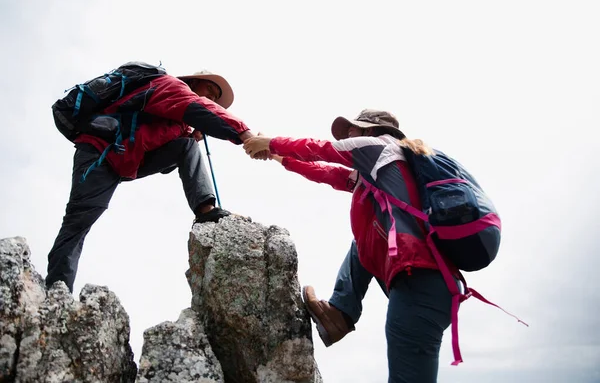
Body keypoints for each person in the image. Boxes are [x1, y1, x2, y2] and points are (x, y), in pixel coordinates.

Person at [244, 110, 456, 383]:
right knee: (362, 241)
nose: (347, 136)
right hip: (422, 282)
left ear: (370, 130)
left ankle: (341, 312)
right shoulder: (377, 173)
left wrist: (271, 142)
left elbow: (321, 150)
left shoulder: (379, 147)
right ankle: (340, 314)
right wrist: (280, 158)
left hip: (422, 282)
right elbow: (328, 173)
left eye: (352, 130)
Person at [46, 69, 265, 293]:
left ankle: (205, 209)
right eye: (209, 90)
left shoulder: (178, 120)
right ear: (194, 82)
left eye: (216, 97)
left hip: (128, 159)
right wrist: (246, 135)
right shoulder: (170, 86)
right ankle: (57, 291)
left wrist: (189, 137)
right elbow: (201, 110)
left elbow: (169, 162)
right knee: (78, 223)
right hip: (99, 153)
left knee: (187, 147)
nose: (212, 98)